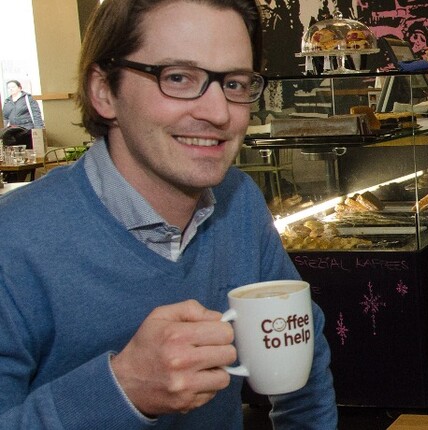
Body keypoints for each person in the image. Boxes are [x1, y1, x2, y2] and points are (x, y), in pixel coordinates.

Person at [0, 0, 338, 428]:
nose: (218, 113)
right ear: (104, 91)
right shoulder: (13, 243)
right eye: (178, 78)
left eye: (234, 84)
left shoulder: (240, 203)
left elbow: (302, 343)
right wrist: (123, 389)